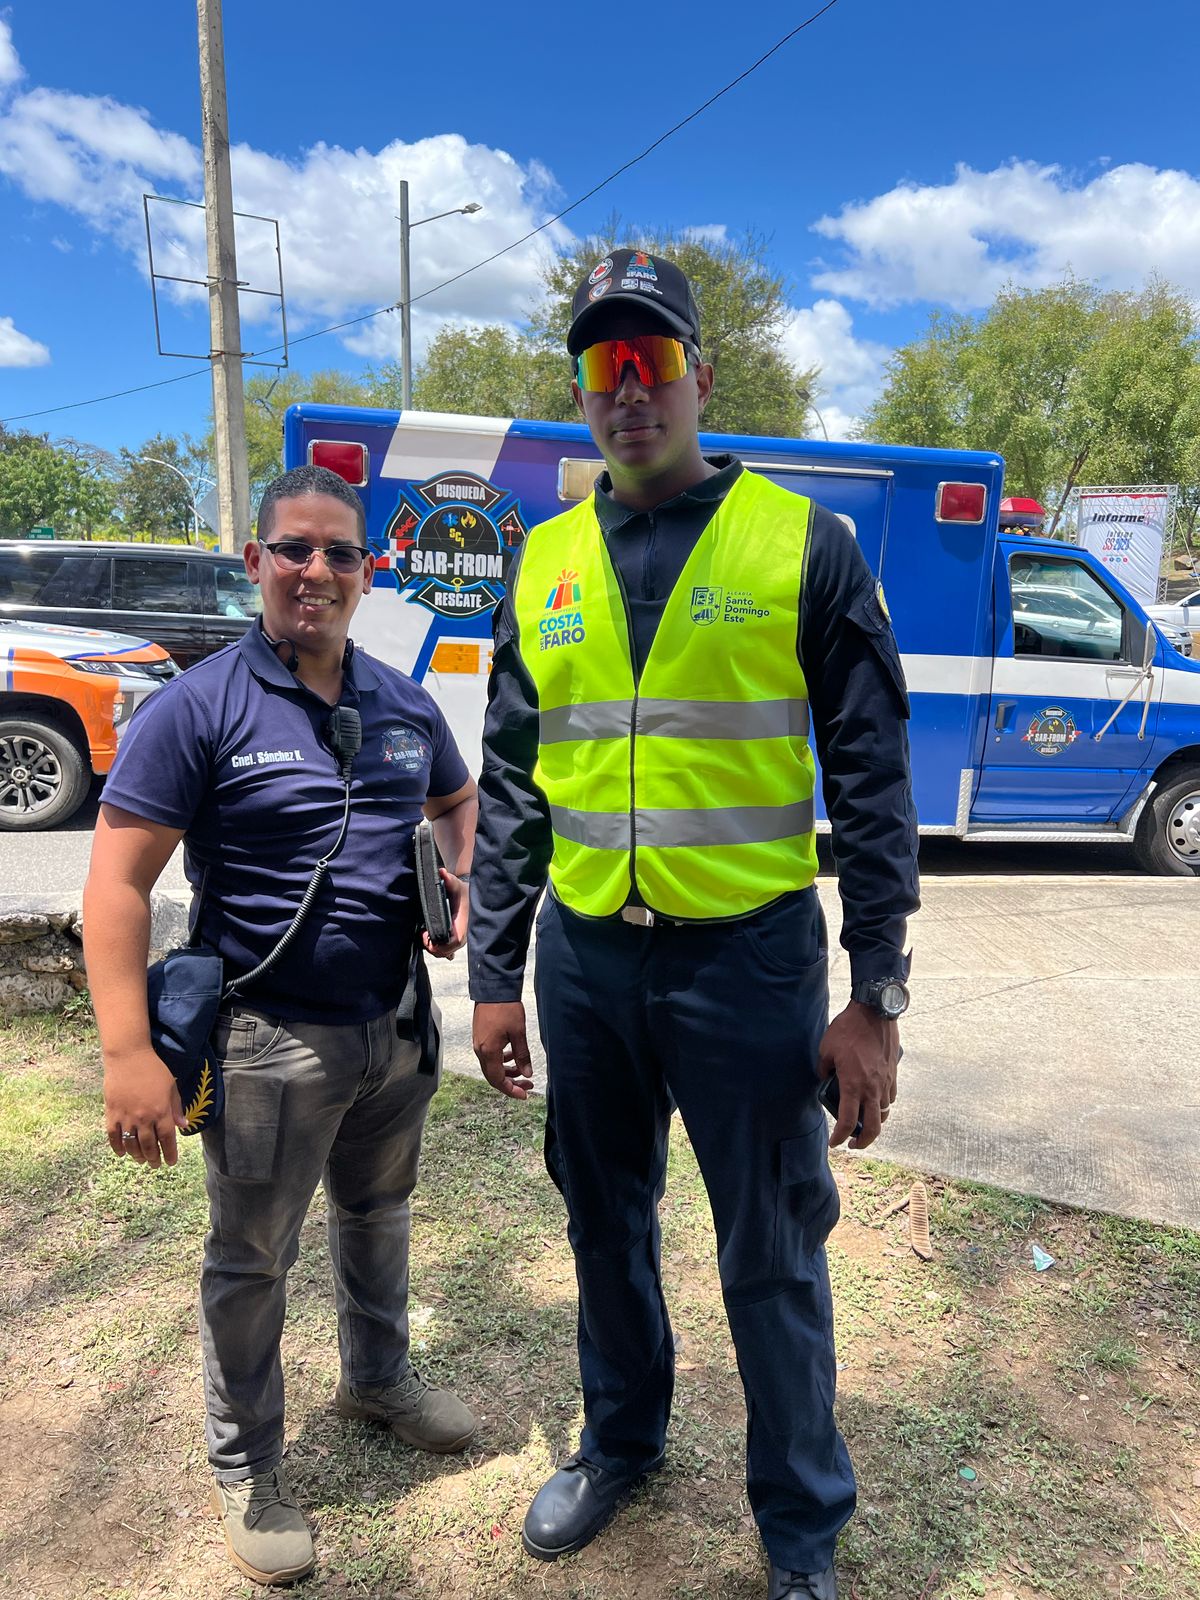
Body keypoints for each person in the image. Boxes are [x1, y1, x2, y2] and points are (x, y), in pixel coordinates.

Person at [469, 250, 919, 1600]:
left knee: (770, 1246)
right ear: (581, 391)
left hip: (748, 957)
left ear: (698, 378)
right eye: (602, 365)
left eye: (649, 360)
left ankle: (800, 1529)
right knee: (602, 1219)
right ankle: (622, 1442)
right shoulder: (541, 559)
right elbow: (509, 782)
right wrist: (495, 970)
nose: (627, 389)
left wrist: (875, 995)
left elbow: (873, 784)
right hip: (590, 959)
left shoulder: (804, 544)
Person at [83, 464, 478, 1588]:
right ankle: (248, 1465)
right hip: (264, 1042)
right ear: (256, 562)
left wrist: (460, 881)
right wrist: (128, 1056)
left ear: (368, 572)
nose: (316, 571)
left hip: (395, 1029)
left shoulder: (402, 701)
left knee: (381, 1213)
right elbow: (113, 889)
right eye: (294, 549)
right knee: (252, 1258)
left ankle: (377, 1379)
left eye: (339, 554)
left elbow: (460, 803)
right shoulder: (197, 706)